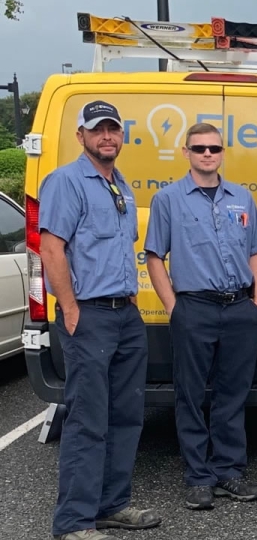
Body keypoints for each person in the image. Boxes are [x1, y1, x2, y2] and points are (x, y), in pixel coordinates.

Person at [41, 101, 162, 540]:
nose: (107, 136)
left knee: (127, 415)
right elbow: (51, 248)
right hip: (88, 314)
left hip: (125, 314)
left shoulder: (120, 184)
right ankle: (74, 523)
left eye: (113, 129)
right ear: (82, 136)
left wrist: (130, 301)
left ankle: (112, 505)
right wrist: (70, 308)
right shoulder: (67, 181)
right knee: (88, 419)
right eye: (98, 130)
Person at [144, 123, 257, 510]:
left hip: (238, 308)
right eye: (199, 148)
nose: (207, 154)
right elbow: (153, 256)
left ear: (222, 152)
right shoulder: (168, 200)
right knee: (191, 395)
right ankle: (198, 476)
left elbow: (256, 254)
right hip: (193, 308)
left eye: (214, 148)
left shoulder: (242, 199)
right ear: (186, 152)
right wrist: (173, 307)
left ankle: (229, 471)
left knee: (233, 394)